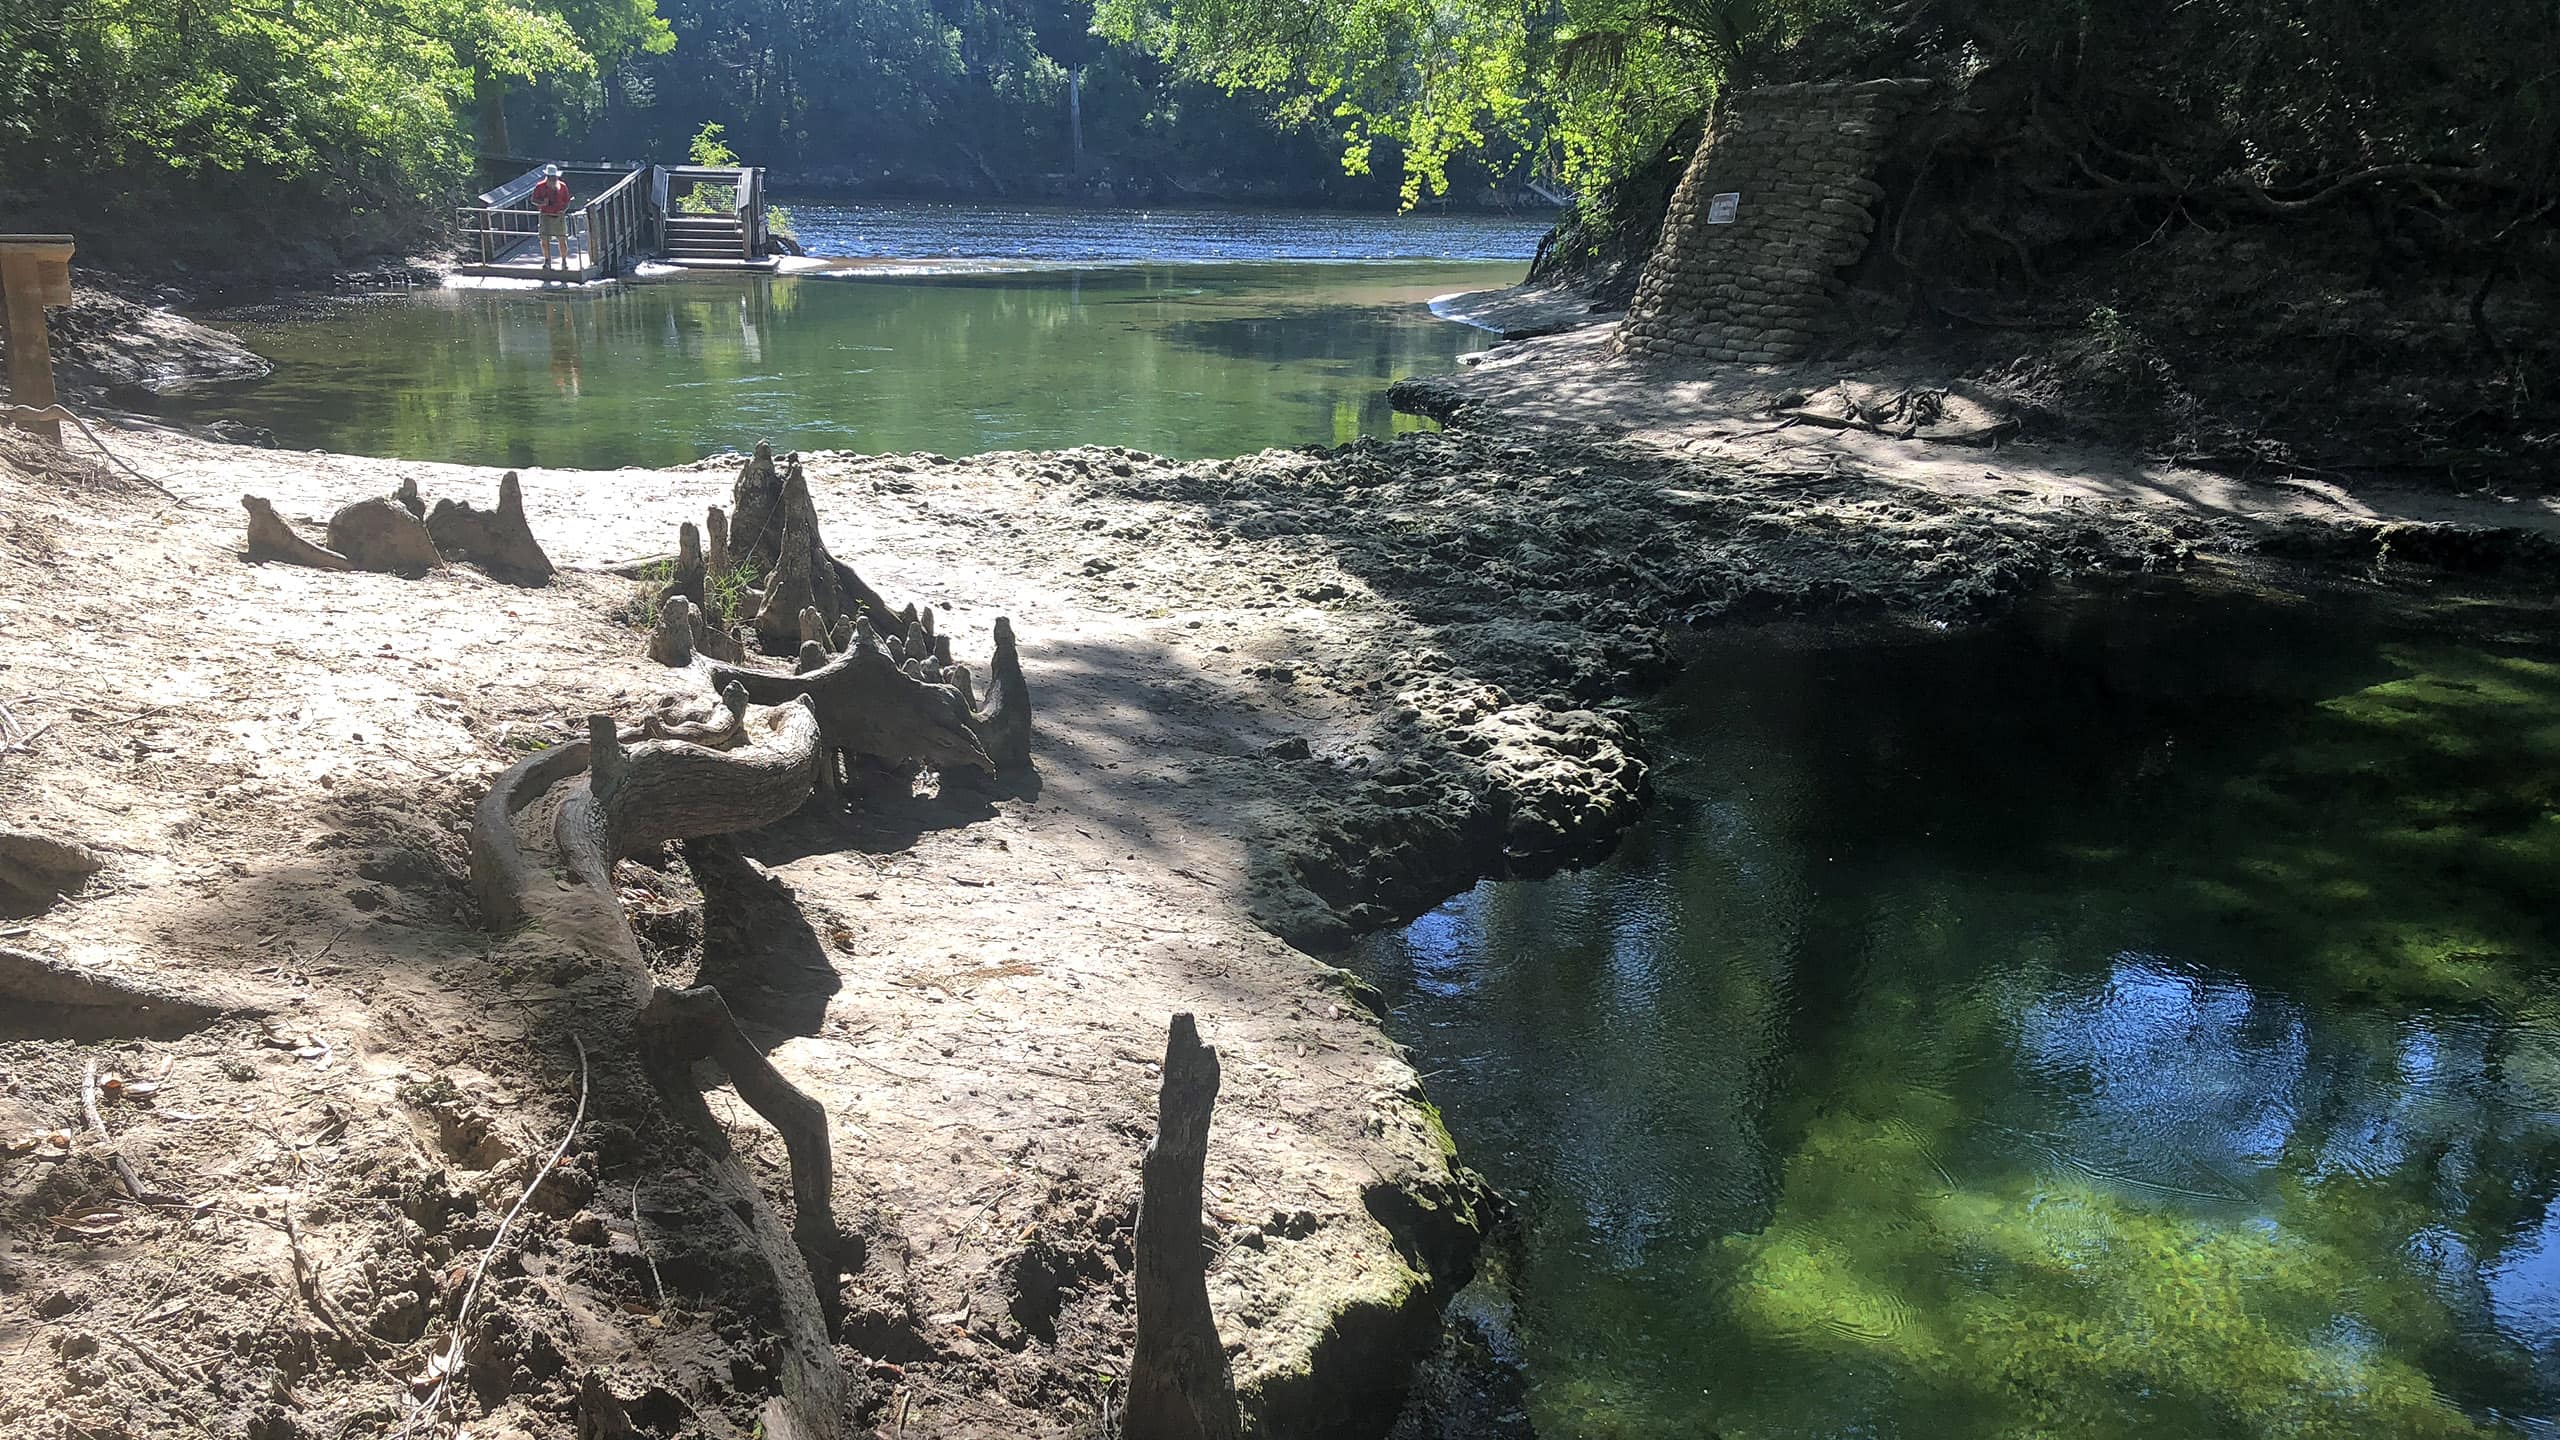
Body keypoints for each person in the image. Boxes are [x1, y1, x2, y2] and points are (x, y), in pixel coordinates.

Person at [532, 165, 573, 279]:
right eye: (551, 177)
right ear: (547, 176)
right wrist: (542, 203)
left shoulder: (563, 186)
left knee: (562, 239)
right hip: (545, 215)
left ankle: (564, 261)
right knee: (544, 240)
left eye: (554, 176)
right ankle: (547, 261)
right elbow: (533, 200)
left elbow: (567, 201)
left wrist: (563, 210)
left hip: (559, 216)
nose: (553, 179)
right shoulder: (540, 186)